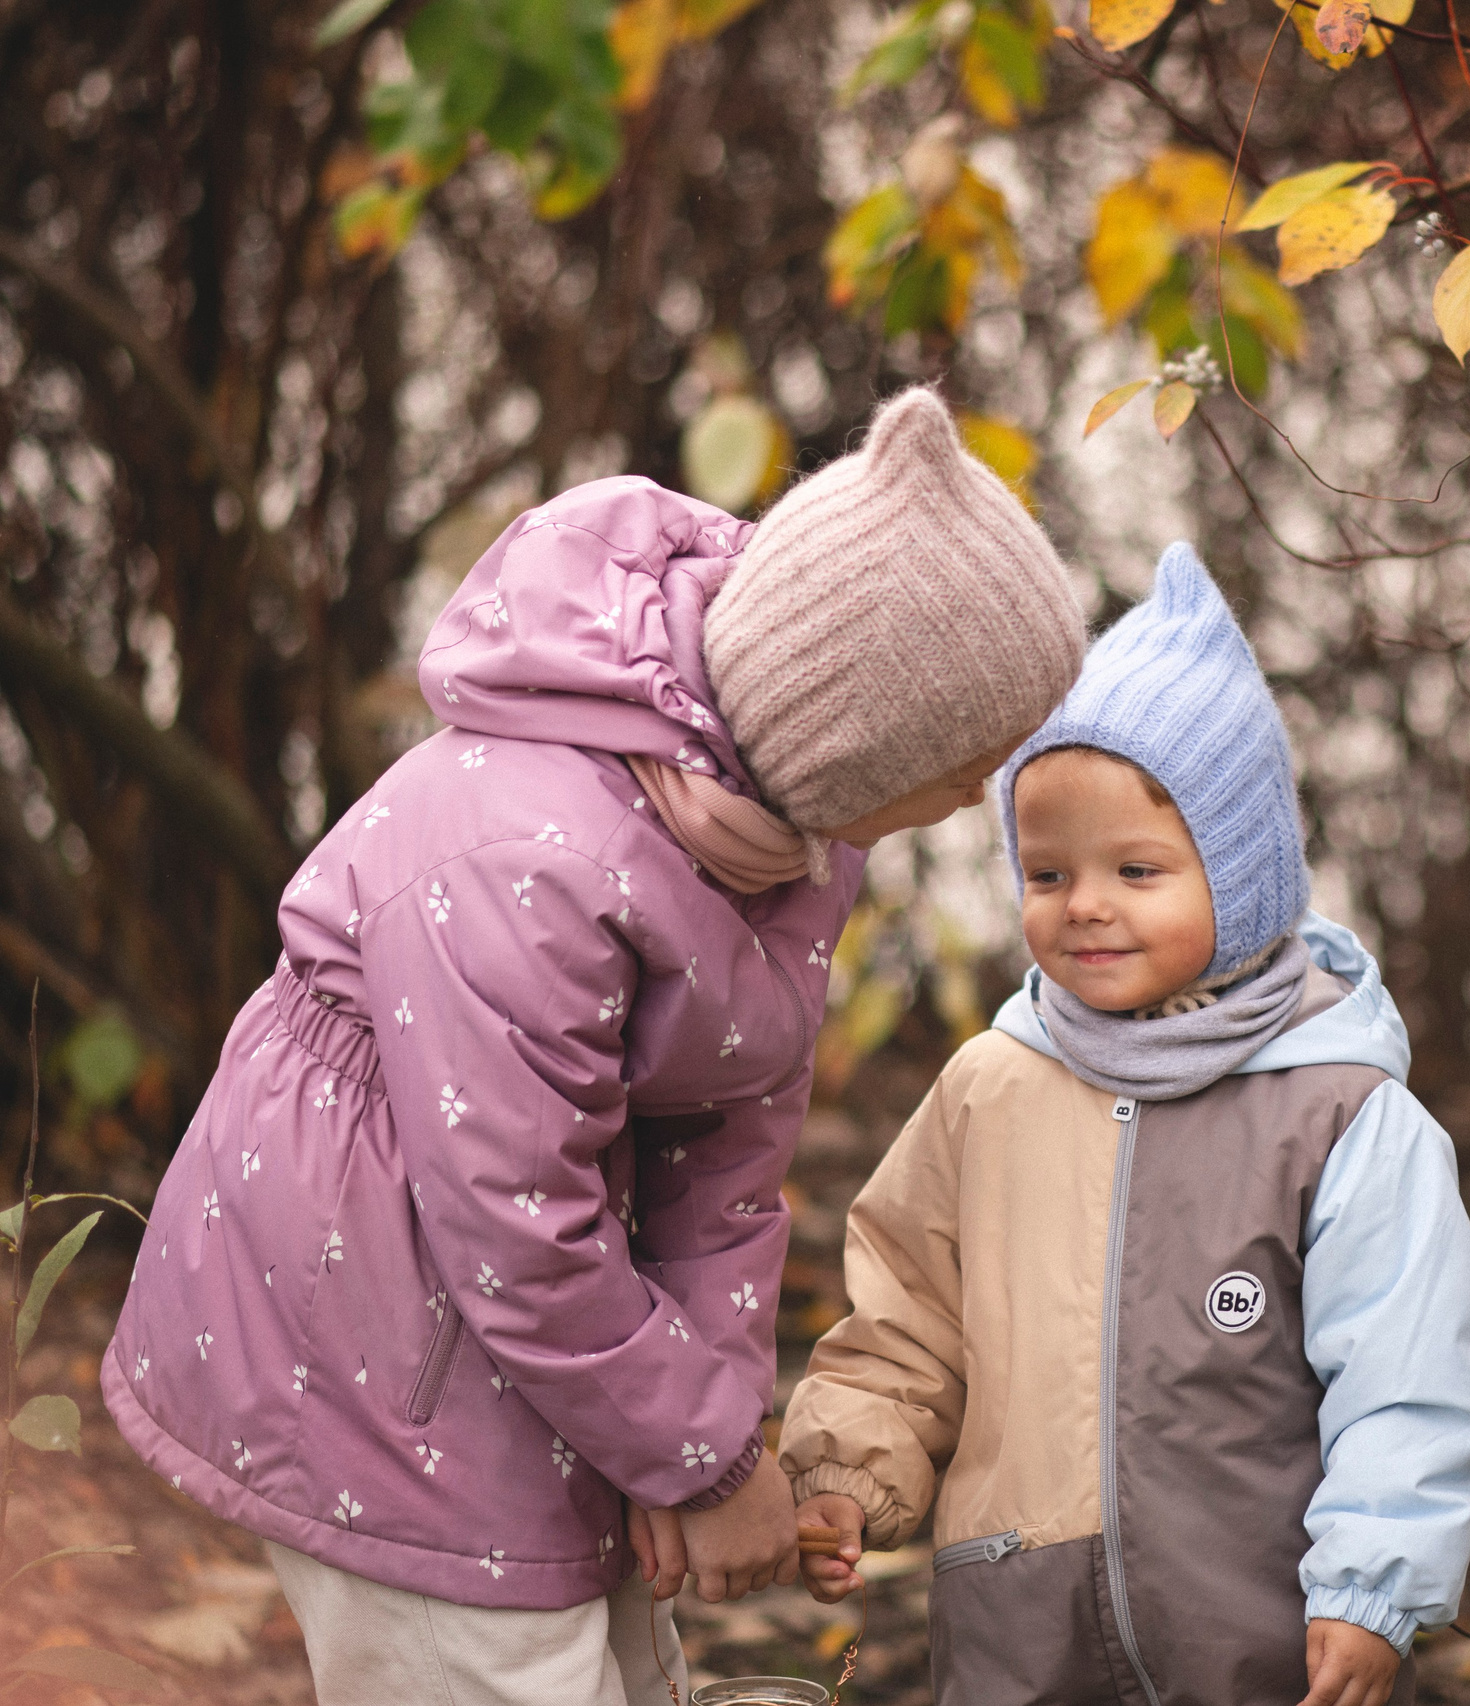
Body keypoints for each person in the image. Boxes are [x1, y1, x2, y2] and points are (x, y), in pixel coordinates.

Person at [102, 388, 1089, 1706]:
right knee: (494, 1660)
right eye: (969, 757)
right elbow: (518, 1223)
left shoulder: (789, 833)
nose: (983, 791)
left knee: (628, 1651)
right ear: (858, 737)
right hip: (374, 1314)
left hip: (546, 1289)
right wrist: (707, 1464)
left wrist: (705, 1441)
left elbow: (731, 1146)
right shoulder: (528, 859)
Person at [780, 543, 1470, 1706]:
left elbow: (1406, 1371)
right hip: (1021, 1628)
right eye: (1047, 871)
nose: (1087, 905)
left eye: (1138, 867)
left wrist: (1373, 1583)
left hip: (1258, 1632)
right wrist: (847, 1471)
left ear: (1246, 872)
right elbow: (905, 1314)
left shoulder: (1340, 1111)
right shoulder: (991, 1086)